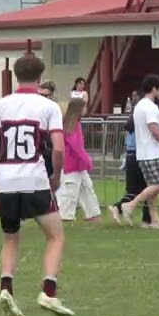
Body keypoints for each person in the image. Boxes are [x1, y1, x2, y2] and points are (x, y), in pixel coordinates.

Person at [0, 53, 74, 316]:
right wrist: (56, 175)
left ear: (15, 76)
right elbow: (58, 148)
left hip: (8, 180)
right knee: (55, 236)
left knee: (11, 236)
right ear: (40, 77)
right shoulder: (48, 106)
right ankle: (48, 290)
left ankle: (6, 288)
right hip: (35, 179)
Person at [115, 75, 159, 228]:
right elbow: (154, 129)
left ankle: (154, 220)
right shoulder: (149, 107)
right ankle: (130, 205)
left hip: (143, 152)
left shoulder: (140, 106)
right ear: (154, 88)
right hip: (152, 152)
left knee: (153, 188)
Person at [56, 93, 101, 222]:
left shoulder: (73, 123)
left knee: (86, 188)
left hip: (78, 163)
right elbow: (76, 146)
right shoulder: (71, 125)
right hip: (72, 163)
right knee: (69, 190)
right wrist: (86, 160)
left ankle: (93, 213)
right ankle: (65, 215)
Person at [111, 92, 152, 226]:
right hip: (137, 156)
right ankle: (145, 218)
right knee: (147, 188)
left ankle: (119, 208)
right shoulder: (139, 121)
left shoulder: (132, 121)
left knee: (136, 189)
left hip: (131, 156)